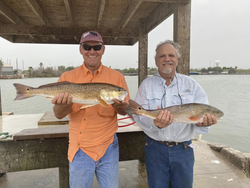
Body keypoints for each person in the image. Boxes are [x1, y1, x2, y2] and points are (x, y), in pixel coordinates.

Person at [133, 40, 217, 188]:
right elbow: (138, 116)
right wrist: (155, 124)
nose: (167, 59)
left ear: (177, 59)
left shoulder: (191, 84)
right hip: (155, 148)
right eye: (162, 56)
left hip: (183, 149)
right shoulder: (146, 85)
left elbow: (201, 117)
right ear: (156, 61)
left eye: (171, 55)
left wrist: (203, 123)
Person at [51, 31, 129, 188]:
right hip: (80, 148)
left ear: (103, 49)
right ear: (80, 49)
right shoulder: (67, 77)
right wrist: (64, 104)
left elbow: (124, 111)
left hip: (109, 147)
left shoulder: (117, 77)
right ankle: (28, 91)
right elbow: (59, 115)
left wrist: (121, 106)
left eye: (97, 47)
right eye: (87, 47)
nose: (92, 51)